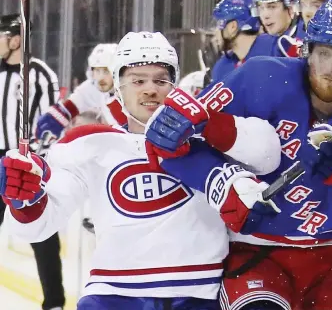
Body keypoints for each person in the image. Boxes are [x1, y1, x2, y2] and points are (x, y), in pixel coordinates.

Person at [145, 0, 332, 310]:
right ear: (307, 50)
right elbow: (170, 143)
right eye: (323, 54)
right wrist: (221, 183)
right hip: (255, 252)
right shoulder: (259, 77)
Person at [0, 31, 228, 310]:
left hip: (197, 294)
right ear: (119, 87)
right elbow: (38, 227)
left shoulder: (212, 140)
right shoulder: (90, 145)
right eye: (138, 80)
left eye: (160, 80)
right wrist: (27, 202)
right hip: (114, 295)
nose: (149, 89)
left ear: (175, 85)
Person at [0, 13, 65, 310]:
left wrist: (37, 159)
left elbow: (52, 123)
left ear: (15, 40)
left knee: (42, 233)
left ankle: (53, 302)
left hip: (25, 164)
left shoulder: (40, 74)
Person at [35, 43, 124, 144]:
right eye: (97, 71)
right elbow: (70, 107)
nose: (101, 77)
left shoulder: (128, 91)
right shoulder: (95, 87)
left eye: (106, 71)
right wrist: (53, 119)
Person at [211, 0, 284, 83]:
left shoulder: (279, 50)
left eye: (219, 25)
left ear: (232, 27)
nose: (215, 33)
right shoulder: (223, 65)